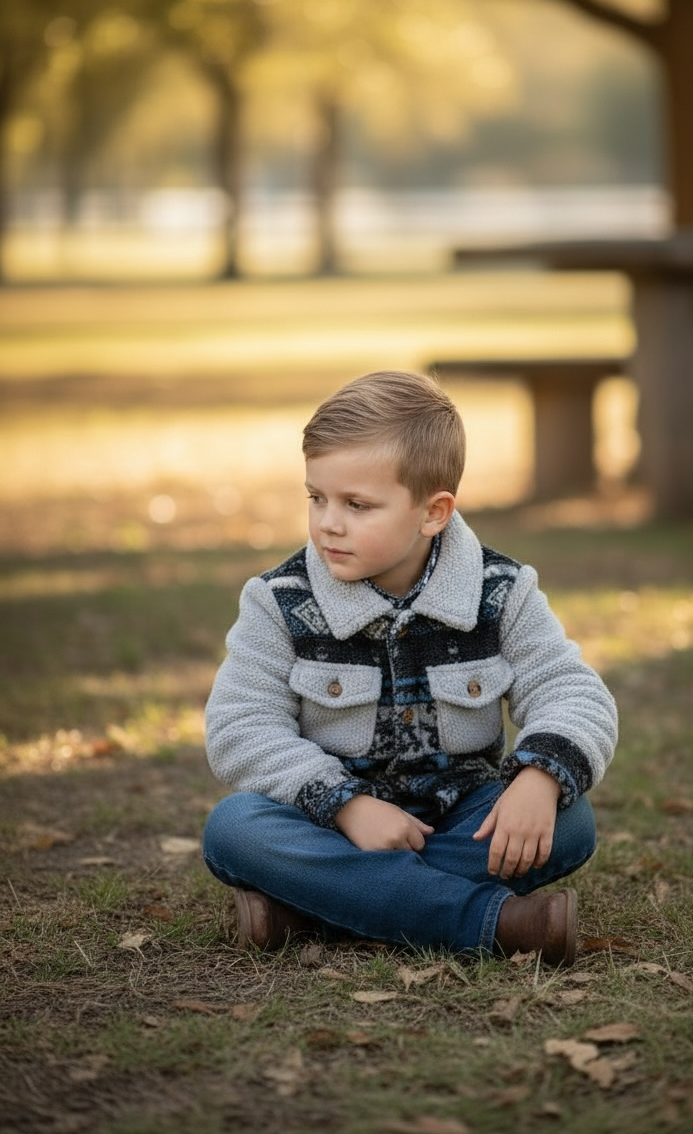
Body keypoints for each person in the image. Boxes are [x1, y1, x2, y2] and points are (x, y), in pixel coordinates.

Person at [202, 371, 617, 965]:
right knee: (235, 827)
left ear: (433, 512)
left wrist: (538, 779)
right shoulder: (279, 601)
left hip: (461, 819)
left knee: (570, 820)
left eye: (357, 505)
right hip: (330, 826)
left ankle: (314, 906)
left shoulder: (502, 591)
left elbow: (572, 691)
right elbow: (240, 726)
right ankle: (493, 923)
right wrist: (346, 804)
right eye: (316, 498)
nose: (328, 523)